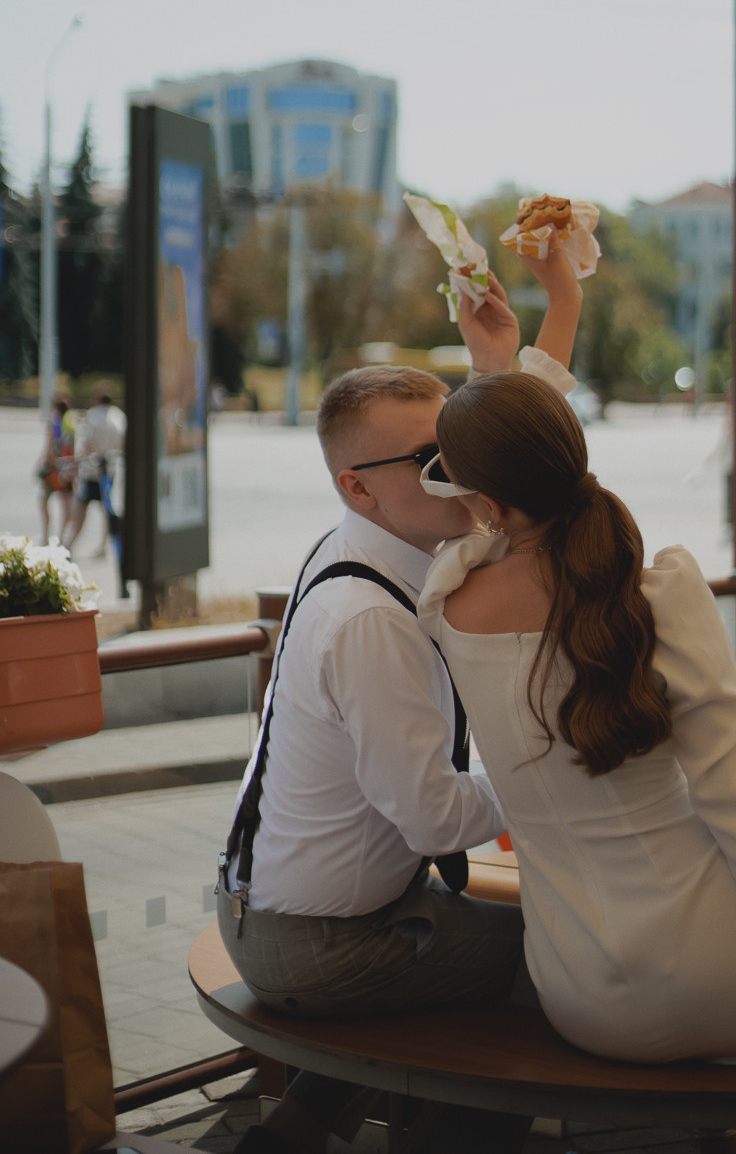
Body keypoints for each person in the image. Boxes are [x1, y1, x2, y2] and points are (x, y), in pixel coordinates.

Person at [419, 372, 736, 1120]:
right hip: (728, 988)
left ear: (486, 505)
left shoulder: (447, 609)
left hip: (584, 1000)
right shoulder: (654, 599)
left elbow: (468, 550)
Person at [216, 245, 583, 1154]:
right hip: (317, 942)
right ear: (357, 486)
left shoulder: (366, 548)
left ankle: (293, 1132)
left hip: (290, 909)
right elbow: (431, 818)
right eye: (431, 458)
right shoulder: (367, 617)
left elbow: (527, 468)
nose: (459, 469)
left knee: (501, 932)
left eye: (456, 445)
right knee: (560, 953)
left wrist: (500, 361)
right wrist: (555, 779)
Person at [65, 383, 126, 557]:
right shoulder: (118, 416)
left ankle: (70, 542)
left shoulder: (92, 416)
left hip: (92, 470)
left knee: (81, 508)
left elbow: (86, 444)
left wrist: (77, 463)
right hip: (111, 468)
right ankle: (104, 544)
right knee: (107, 508)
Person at [36, 393, 77, 545]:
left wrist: (42, 464)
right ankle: (61, 536)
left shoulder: (54, 423)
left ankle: (46, 535)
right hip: (67, 468)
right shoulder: (72, 422)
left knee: (44, 501)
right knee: (66, 503)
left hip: (53, 469)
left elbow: (49, 446)